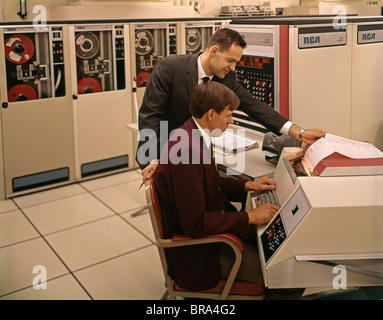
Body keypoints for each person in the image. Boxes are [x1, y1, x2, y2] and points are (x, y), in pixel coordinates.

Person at [153, 81, 306, 301]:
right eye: (228, 115)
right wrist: (249, 216)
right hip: (203, 254)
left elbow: (210, 182)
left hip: (213, 239)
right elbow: (196, 225)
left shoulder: (192, 133)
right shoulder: (187, 153)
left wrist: (246, 185)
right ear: (211, 114)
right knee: (288, 277)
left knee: (275, 245)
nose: (231, 121)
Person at [137, 27, 326, 181]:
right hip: (166, 152)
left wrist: (298, 132)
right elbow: (150, 116)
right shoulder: (170, 67)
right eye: (230, 60)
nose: (233, 67)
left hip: (200, 154)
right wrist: (151, 159)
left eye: (236, 62)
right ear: (214, 51)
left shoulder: (226, 77)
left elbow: (253, 105)